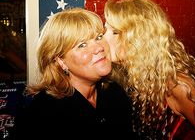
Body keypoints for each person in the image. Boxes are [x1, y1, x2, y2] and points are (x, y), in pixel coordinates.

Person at [103, 0, 195, 140]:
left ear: (139, 38)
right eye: (105, 30)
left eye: (115, 32)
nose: (104, 38)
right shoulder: (133, 76)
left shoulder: (180, 86)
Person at [14, 7, 135, 140]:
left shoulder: (115, 92)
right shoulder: (42, 113)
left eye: (98, 37)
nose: (99, 48)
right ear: (60, 61)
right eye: (82, 45)